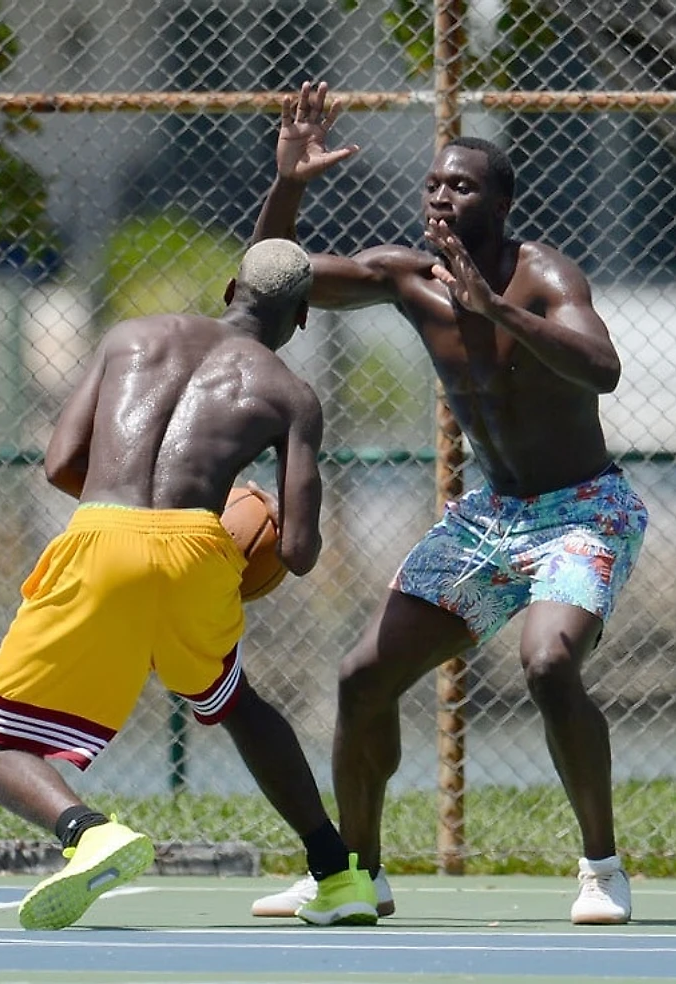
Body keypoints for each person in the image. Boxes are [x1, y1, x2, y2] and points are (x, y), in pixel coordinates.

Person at [249, 82, 649, 925]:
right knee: (362, 678)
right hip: (491, 517)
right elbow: (265, 280)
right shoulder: (404, 276)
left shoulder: (543, 276)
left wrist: (496, 307)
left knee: (548, 665)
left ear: (501, 204)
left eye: (462, 186)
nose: (441, 195)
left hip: (583, 510)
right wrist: (289, 183)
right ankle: (356, 875)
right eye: (434, 184)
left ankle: (602, 867)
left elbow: (604, 369)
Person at [0, 238, 378, 931]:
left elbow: (60, 461)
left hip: (102, 536)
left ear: (228, 290)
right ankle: (338, 874)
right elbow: (302, 552)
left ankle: (88, 832)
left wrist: (123, 516)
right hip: (199, 549)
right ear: (304, 317)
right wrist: (263, 526)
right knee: (235, 701)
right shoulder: (291, 395)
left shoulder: (131, 336)